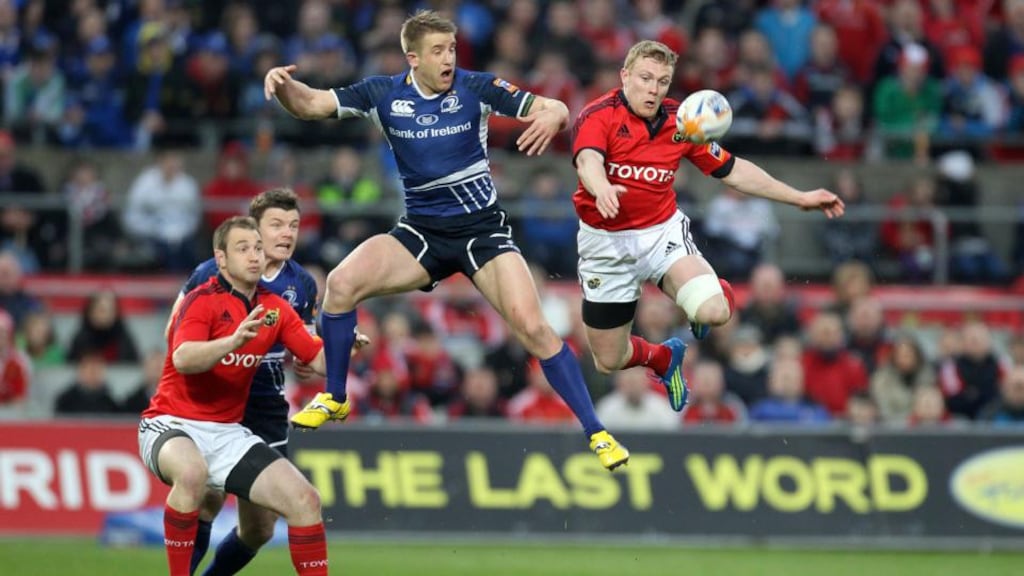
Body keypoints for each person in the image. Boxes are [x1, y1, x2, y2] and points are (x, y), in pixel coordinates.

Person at [265, 10, 629, 470]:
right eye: (438, 51)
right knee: (339, 285)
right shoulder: (383, 93)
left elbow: (551, 106)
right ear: (412, 57)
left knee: (535, 329)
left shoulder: (475, 87)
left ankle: (596, 431)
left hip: (482, 234)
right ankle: (335, 395)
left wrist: (552, 116)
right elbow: (312, 104)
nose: (449, 59)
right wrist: (281, 86)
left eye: (453, 49)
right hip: (421, 233)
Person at [572, 40, 844, 411]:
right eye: (645, 78)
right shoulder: (598, 115)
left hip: (660, 235)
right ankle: (664, 359)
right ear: (625, 75)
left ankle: (713, 292)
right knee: (609, 359)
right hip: (604, 245)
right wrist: (601, 186)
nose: (653, 89)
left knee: (714, 311)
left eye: (663, 81)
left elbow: (733, 171)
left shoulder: (681, 123)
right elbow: (588, 160)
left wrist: (799, 197)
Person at [139, 216, 341, 576]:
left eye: (258, 249)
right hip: (170, 423)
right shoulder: (202, 300)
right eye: (242, 248)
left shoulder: (275, 308)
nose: (254, 256)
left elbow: (317, 359)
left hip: (228, 433)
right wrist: (232, 342)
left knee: (305, 501)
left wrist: (344, 345)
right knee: (191, 474)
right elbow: (183, 358)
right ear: (221, 259)